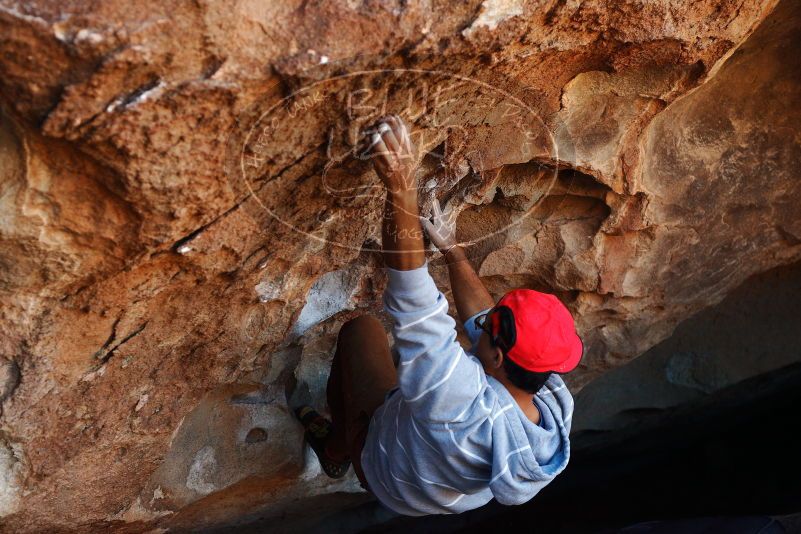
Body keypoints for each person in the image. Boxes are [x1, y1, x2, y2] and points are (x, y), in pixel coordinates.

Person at [295, 115, 583, 515]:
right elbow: (485, 319)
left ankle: (338, 449)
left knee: (363, 332)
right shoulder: (549, 399)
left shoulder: (458, 402)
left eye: (490, 325)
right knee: (415, 371)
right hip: (440, 483)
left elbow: (411, 289)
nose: (485, 317)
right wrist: (453, 251)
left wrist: (400, 181)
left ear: (499, 358)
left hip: (390, 472)